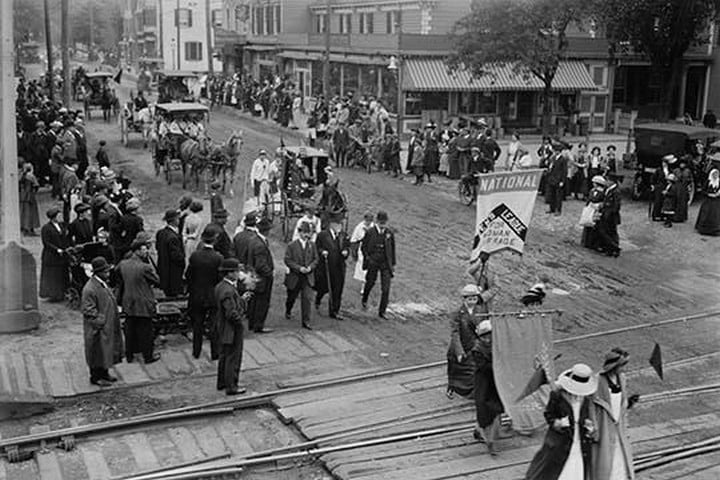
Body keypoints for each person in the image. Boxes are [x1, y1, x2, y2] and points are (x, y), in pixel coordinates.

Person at [525, 363, 598, 480]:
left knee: (576, 467)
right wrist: (557, 423)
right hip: (560, 440)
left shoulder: (586, 398)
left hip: (579, 439)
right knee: (551, 468)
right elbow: (549, 414)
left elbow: (586, 415)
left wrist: (589, 426)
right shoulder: (557, 395)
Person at [590, 348, 638, 480]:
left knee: (620, 460)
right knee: (605, 463)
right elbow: (591, 406)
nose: (624, 369)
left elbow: (621, 404)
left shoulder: (622, 379)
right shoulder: (598, 380)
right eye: (622, 366)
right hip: (604, 427)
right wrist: (594, 429)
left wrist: (629, 403)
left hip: (619, 428)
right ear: (614, 365)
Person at [117, 232, 161, 364]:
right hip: (143, 301)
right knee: (146, 330)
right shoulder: (145, 267)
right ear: (138, 251)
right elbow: (157, 281)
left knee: (129, 329)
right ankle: (148, 356)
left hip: (128, 301)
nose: (146, 251)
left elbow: (117, 275)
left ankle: (129, 355)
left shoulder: (123, 264)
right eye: (144, 249)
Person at [81, 257, 123, 387]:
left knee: (105, 351)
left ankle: (105, 374)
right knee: (96, 352)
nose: (108, 274)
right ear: (97, 272)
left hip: (107, 326)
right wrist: (101, 322)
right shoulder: (90, 288)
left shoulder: (101, 283)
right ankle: (96, 377)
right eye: (105, 272)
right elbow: (88, 310)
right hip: (98, 329)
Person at [215, 258, 253, 395]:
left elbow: (231, 306)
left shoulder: (221, 286)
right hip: (231, 329)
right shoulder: (228, 290)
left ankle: (222, 383)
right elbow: (231, 313)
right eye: (236, 271)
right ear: (229, 273)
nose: (239, 273)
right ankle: (232, 386)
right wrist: (240, 323)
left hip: (222, 327)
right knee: (233, 357)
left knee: (224, 355)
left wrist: (242, 300)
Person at [185, 228, 223, 359]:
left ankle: (196, 351)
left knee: (197, 325)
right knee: (214, 325)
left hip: (197, 295)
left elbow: (188, 275)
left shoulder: (195, 256)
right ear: (215, 240)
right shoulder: (218, 257)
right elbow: (220, 278)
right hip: (212, 295)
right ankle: (215, 353)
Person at [447, 284, 488, 400]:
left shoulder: (481, 310)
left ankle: (474, 393)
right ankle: (452, 388)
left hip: (474, 346)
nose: (472, 301)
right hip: (461, 345)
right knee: (456, 371)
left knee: (474, 371)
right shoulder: (457, 313)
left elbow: (484, 327)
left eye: (474, 299)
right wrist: (459, 351)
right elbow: (455, 333)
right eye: (470, 299)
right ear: (464, 299)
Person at [471, 318, 503, 455]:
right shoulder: (477, 350)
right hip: (484, 382)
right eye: (485, 336)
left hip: (496, 381)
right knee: (484, 408)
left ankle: (489, 437)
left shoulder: (499, 345)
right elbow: (483, 367)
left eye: (490, 335)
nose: (488, 339)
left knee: (496, 408)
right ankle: (486, 436)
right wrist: (499, 364)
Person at [361, 211, 396, 319]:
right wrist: (368, 258)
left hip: (385, 263)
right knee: (370, 282)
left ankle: (382, 311)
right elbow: (364, 247)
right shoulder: (370, 232)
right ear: (377, 221)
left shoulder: (389, 233)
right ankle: (365, 298)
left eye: (384, 223)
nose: (382, 225)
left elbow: (392, 249)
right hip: (373, 261)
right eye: (381, 222)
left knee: (386, 288)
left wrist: (393, 264)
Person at [243, 215, 275, 333]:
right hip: (262, 279)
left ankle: (253, 324)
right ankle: (259, 325)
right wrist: (270, 273)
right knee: (262, 302)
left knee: (254, 302)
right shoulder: (260, 245)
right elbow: (260, 265)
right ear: (267, 230)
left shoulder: (253, 240)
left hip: (254, 276)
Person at [284, 221, 318, 330]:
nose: (306, 235)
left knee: (307, 298)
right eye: (304, 233)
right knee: (292, 297)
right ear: (299, 233)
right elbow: (287, 260)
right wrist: (299, 268)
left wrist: (310, 267)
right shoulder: (292, 245)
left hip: (308, 277)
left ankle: (306, 321)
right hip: (295, 276)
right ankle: (288, 309)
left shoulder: (312, 245)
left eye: (308, 233)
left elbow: (316, 259)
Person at [315, 217, 350, 319]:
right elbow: (317, 248)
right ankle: (318, 298)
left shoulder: (343, 235)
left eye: (341, 224)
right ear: (332, 224)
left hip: (339, 267)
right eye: (338, 224)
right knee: (324, 287)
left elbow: (347, 246)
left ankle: (334, 311)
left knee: (337, 289)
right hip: (326, 266)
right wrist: (322, 252)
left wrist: (346, 252)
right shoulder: (322, 235)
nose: (340, 227)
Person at [39, 206, 70, 302]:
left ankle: (62, 292)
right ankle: (53, 294)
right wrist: (57, 249)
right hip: (51, 255)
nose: (60, 217)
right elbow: (46, 242)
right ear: (54, 217)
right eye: (58, 215)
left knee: (62, 273)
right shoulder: (46, 228)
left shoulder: (61, 225)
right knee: (53, 275)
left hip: (61, 255)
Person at [596, 174, 622, 257]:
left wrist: (610, 212)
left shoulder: (616, 191)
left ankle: (614, 248)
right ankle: (609, 247)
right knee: (604, 231)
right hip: (605, 214)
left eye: (607, 180)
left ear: (612, 181)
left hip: (611, 216)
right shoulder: (607, 189)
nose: (606, 182)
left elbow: (616, 205)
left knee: (611, 232)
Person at [581, 176, 607, 251]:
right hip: (590, 209)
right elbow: (589, 200)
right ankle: (586, 242)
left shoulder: (602, 192)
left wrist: (598, 206)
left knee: (595, 227)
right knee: (587, 224)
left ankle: (594, 243)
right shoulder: (592, 191)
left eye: (594, 183)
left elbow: (602, 202)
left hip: (596, 210)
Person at [350, 212, 374, 292]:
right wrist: (354, 251)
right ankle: (364, 286)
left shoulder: (373, 227)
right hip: (362, 249)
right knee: (363, 266)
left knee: (370, 267)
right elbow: (354, 239)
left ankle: (366, 284)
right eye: (367, 221)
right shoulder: (359, 227)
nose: (368, 223)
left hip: (371, 249)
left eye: (370, 221)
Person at [546, 142, 569, 215]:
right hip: (552, 178)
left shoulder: (563, 159)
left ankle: (558, 210)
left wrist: (562, 180)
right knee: (551, 194)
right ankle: (552, 208)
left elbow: (564, 171)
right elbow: (550, 167)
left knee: (558, 196)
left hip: (558, 179)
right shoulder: (552, 158)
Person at [696, 167, 720, 235]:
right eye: (714, 174)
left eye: (717, 174)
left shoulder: (719, 182)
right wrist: (708, 194)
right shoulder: (708, 182)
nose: (716, 176)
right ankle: (704, 230)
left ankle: (714, 230)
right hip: (708, 201)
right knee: (705, 214)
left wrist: (717, 194)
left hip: (716, 201)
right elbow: (703, 191)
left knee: (715, 215)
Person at [652, 155, 676, 221]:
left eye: (665, 163)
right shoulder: (659, 170)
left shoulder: (669, 170)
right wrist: (653, 185)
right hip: (659, 186)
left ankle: (662, 215)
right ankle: (656, 215)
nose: (664, 164)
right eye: (663, 163)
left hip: (666, 186)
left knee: (664, 201)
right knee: (657, 201)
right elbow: (654, 178)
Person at [19, 162, 40, 236]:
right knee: (31, 213)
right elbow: (36, 185)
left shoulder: (21, 175)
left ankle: (24, 228)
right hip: (30, 196)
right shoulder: (31, 176)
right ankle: (30, 228)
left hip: (22, 196)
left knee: (23, 213)